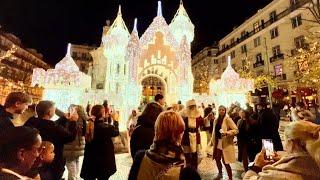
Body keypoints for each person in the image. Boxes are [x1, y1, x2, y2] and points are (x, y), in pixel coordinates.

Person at [129, 111, 194, 180]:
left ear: (157, 130)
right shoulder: (187, 173)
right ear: (178, 134)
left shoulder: (140, 158)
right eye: (182, 131)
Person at [244, 120, 320, 179]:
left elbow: (248, 178)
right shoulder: (316, 163)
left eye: (284, 140)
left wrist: (256, 166)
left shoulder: (275, 176)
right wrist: (285, 161)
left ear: (292, 143)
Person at [24, 100, 78, 180]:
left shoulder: (30, 122)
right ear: (49, 112)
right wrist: (73, 122)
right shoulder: (53, 127)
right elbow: (70, 137)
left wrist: (64, 119)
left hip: (31, 160)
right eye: (54, 109)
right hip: (52, 163)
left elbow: (51, 124)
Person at [80, 104, 119, 180]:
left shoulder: (87, 126)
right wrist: (116, 121)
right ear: (103, 113)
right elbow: (116, 132)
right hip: (104, 161)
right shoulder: (107, 127)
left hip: (90, 160)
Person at [60, 105, 87, 180]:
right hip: (70, 148)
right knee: (73, 170)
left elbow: (83, 133)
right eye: (71, 110)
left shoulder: (81, 120)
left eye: (74, 110)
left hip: (76, 147)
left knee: (75, 168)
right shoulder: (67, 118)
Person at [211, 105, 238, 180]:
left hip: (225, 142)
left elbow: (236, 130)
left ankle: (230, 178)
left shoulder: (228, 119)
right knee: (217, 158)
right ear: (218, 111)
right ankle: (220, 173)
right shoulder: (216, 120)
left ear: (225, 111)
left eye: (223, 110)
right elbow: (214, 131)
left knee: (225, 161)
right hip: (218, 142)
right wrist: (212, 141)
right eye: (220, 110)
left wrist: (227, 133)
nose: (221, 111)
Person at [179, 99, 205, 170]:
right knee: (187, 154)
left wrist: (207, 119)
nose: (192, 108)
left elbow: (202, 123)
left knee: (195, 155)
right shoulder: (183, 115)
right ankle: (188, 169)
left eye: (194, 106)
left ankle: (194, 169)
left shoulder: (198, 114)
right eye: (191, 107)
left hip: (196, 136)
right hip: (186, 137)